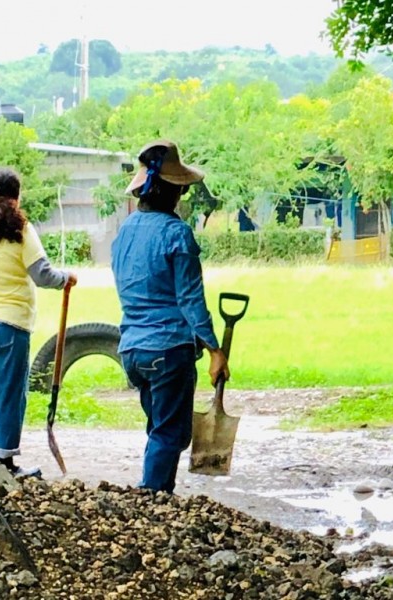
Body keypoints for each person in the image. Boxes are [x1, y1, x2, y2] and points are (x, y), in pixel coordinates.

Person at [110, 140, 229, 494]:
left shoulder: (125, 232)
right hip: (168, 350)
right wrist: (214, 350)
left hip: (132, 349)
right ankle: (153, 499)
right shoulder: (177, 235)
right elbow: (191, 300)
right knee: (170, 432)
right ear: (174, 193)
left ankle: (153, 494)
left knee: (158, 426)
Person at [0, 166, 77, 477]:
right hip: (8, 325)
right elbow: (42, 274)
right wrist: (66, 279)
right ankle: (4, 463)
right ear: (17, 197)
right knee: (9, 393)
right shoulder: (22, 230)